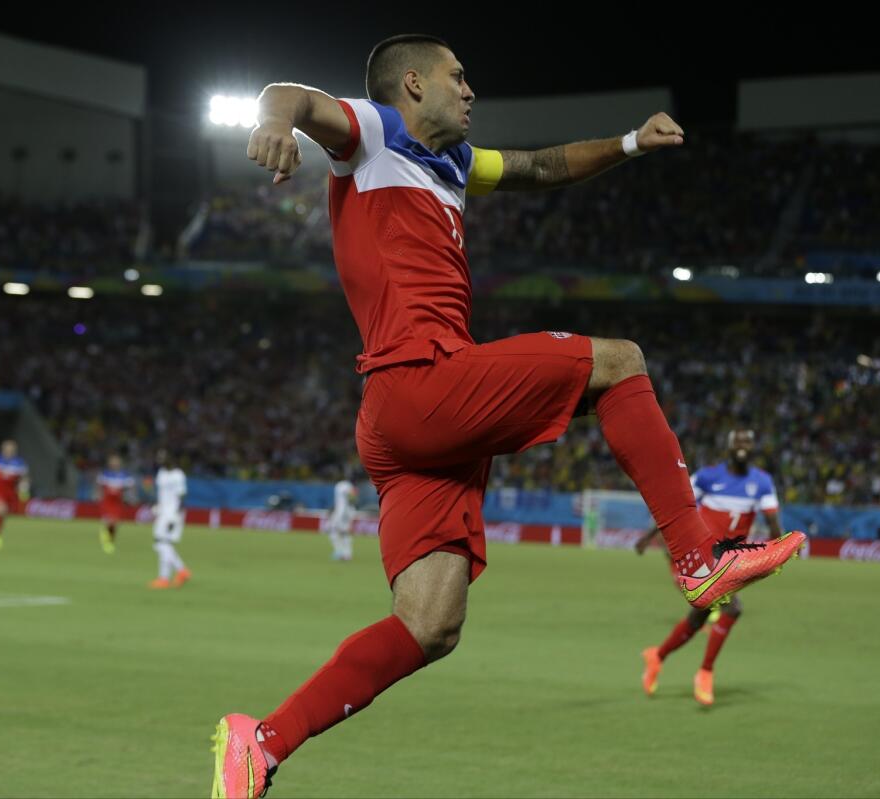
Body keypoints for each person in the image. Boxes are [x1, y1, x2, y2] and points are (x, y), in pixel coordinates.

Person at [212, 34, 805, 797]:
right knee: (618, 359)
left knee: (430, 623)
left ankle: (260, 741)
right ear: (414, 84)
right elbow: (290, 97)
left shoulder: (455, 163)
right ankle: (697, 558)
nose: (471, 91)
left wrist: (629, 142)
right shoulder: (373, 131)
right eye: (458, 78)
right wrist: (272, 121)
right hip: (421, 379)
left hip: (410, 418)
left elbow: (541, 167)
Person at [635, 429, 784, 705]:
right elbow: (676, 507)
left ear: (753, 449)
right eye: (738, 442)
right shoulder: (706, 477)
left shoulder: (762, 483)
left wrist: (779, 551)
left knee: (698, 619)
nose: (743, 447)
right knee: (732, 608)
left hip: (731, 560)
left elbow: (775, 527)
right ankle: (705, 673)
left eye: (748, 442)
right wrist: (648, 537)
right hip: (702, 553)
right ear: (728, 447)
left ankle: (657, 656)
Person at [150, 450, 190, 589]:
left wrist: (175, 517)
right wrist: (158, 507)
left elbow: (182, 496)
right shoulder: (161, 473)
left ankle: (171, 575)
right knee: (162, 544)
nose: (160, 459)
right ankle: (172, 575)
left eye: (163, 457)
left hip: (172, 514)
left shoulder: (178, 475)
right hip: (163, 512)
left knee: (161, 543)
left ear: (170, 459)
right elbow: (161, 494)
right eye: (159, 457)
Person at [97, 454, 135, 554]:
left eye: (116, 462)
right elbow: (99, 486)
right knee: (109, 521)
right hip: (107, 501)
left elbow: (131, 486)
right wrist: (98, 496)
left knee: (115, 524)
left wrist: (131, 497)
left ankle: (110, 540)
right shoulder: (105, 474)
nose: (114, 464)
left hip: (118, 503)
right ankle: (105, 537)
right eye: (113, 462)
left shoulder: (124, 475)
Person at [327, 478, 359, 561]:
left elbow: (347, 500)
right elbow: (353, 499)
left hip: (342, 513)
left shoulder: (340, 485)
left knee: (335, 531)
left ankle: (341, 553)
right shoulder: (350, 486)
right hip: (347, 512)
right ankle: (346, 554)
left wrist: (341, 513)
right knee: (344, 532)